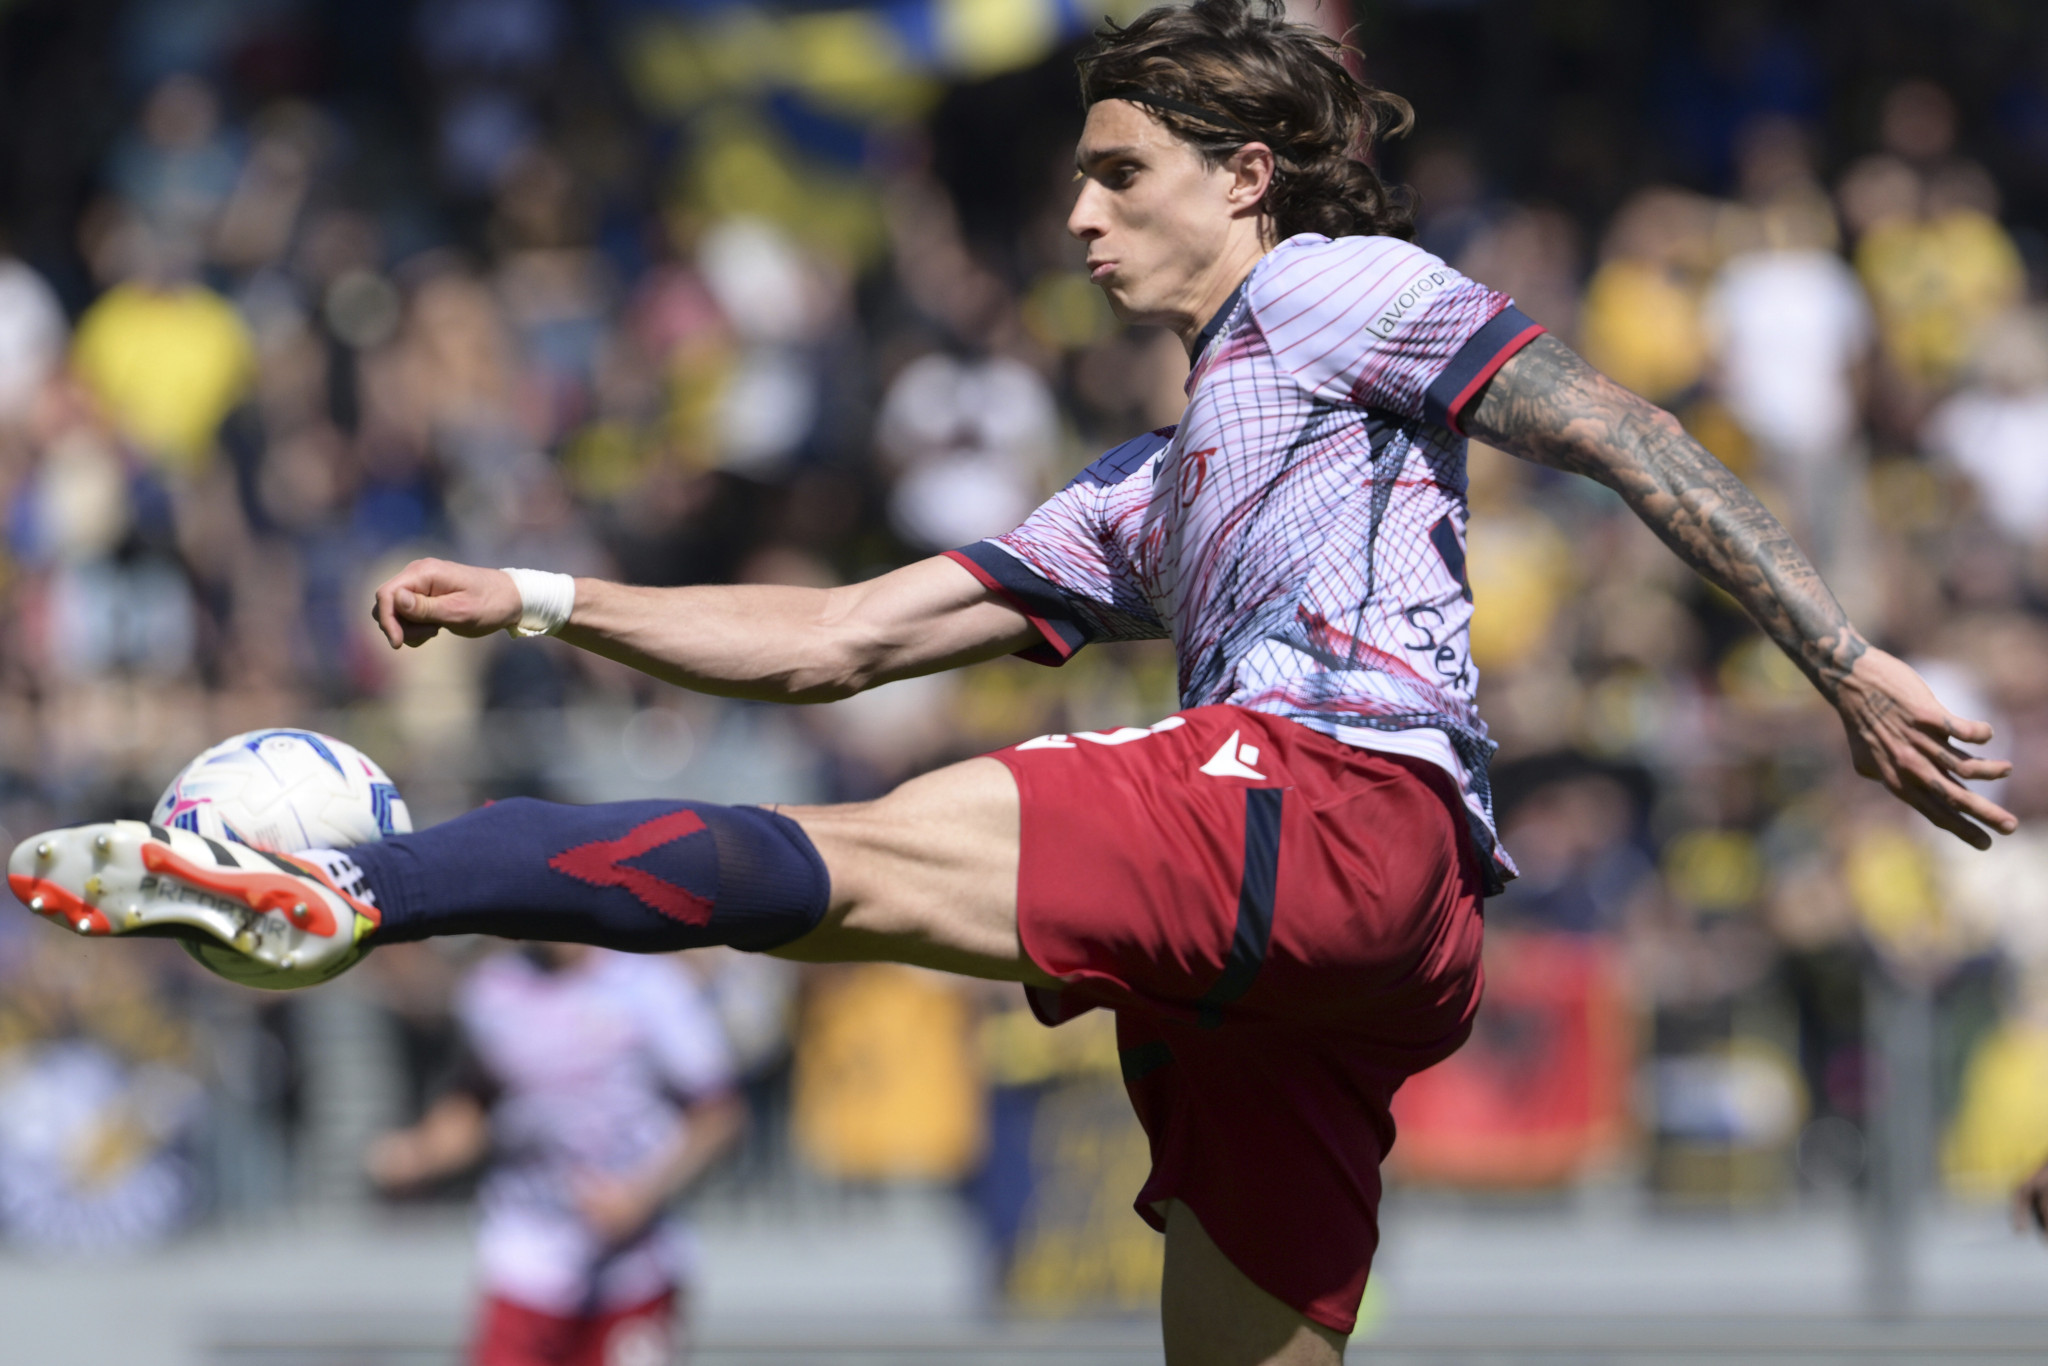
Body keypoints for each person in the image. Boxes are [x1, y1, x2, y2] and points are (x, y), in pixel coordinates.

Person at [8, 3, 2017, 1361]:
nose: (1075, 215)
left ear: (1243, 174)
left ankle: (374, 885)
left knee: (851, 862)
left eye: (1118, 171)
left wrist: (1838, 652)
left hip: (1322, 804)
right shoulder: (1161, 486)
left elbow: (1623, 427)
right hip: (1341, 951)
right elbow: (836, 637)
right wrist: (536, 593)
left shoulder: (1331, 288)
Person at [367, 942, 744, 1366]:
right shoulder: (495, 989)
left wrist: (642, 1194)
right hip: (528, 1254)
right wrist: (421, 1153)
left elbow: (718, 1114)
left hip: (632, 1266)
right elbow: (475, 1104)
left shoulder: (651, 986)